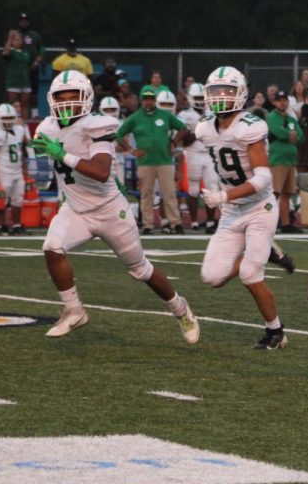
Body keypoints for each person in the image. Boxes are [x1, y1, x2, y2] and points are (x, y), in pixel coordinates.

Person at [32, 70, 199, 341]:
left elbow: (100, 171)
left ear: (86, 98)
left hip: (110, 210)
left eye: (73, 96)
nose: (66, 102)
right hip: (75, 209)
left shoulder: (98, 124)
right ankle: (74, 310)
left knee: (139, 269)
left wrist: (62, 154)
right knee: (52, 248)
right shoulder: (46, 127)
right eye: (61, 97)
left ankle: (181, 310)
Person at [195, 67, 294, 349]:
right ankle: (269, 251)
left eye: (227, 91)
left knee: (250, 274)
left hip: (258, 207)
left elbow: (263, 179)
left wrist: (224, 196)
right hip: (231, 211)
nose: (221, 98)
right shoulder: (203, 128)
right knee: (212, 277)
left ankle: (276, 332)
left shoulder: (250, 125)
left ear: (241, 94)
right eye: (216, 92)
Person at [115, 84, 184, 235]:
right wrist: (131, 150)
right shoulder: (135, 118)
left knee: (170, 193)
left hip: (165, 161)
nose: (148, 102)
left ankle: (175, 223)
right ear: (141, 100)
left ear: (155, 100)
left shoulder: (165, 115)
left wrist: (174, 142)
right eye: (146, 99)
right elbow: (119, 134)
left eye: (151, 99)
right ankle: (148, 224)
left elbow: (183, 128)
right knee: (146, 194)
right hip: (145, 162)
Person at [0, 102, 30, 235]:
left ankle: (16, 225)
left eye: (10, 117)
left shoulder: (20, 130)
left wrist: (24, 169)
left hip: (17, 171)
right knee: (2, 201)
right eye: (5, 118)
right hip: (3, 171)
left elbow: (20, 152)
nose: (8, 121)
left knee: (18, 200)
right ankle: (2, 226)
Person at [175, 83, 214, 230]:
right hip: (193, 153)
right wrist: (199, 128)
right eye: (197, 97)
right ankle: (194, 221)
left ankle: (210, 221)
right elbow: (185, 140)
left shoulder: (212, 113)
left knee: (211, 188)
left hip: (209, 154)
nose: (200, 100)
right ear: (191, 98)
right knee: (193, 189)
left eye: (202, 97)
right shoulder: (185, 115)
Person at [266, 90, 302, 233]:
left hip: (290, 160)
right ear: (275, 102)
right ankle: (268, 222)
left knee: (287, 194)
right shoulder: (272, 117)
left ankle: (286, 223)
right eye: (279, 100)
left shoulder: (291, 119)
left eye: (285, 100)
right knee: (273, 194)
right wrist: (290, 135)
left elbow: (301, 136)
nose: (282, 103)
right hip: (277, 159)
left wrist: (290, 135)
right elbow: (278, 133)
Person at [16, 14, 45, 115]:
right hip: (19, 69)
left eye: (26, 21)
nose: (24, 23)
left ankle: (34, 114)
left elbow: (41, 49)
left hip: (33, 68)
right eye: (22, 21)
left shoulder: (35, 35)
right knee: (18, 92)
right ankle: (17, 114)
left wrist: (38, 62)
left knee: (33, 92)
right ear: (19, 22)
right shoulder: (15, 35)